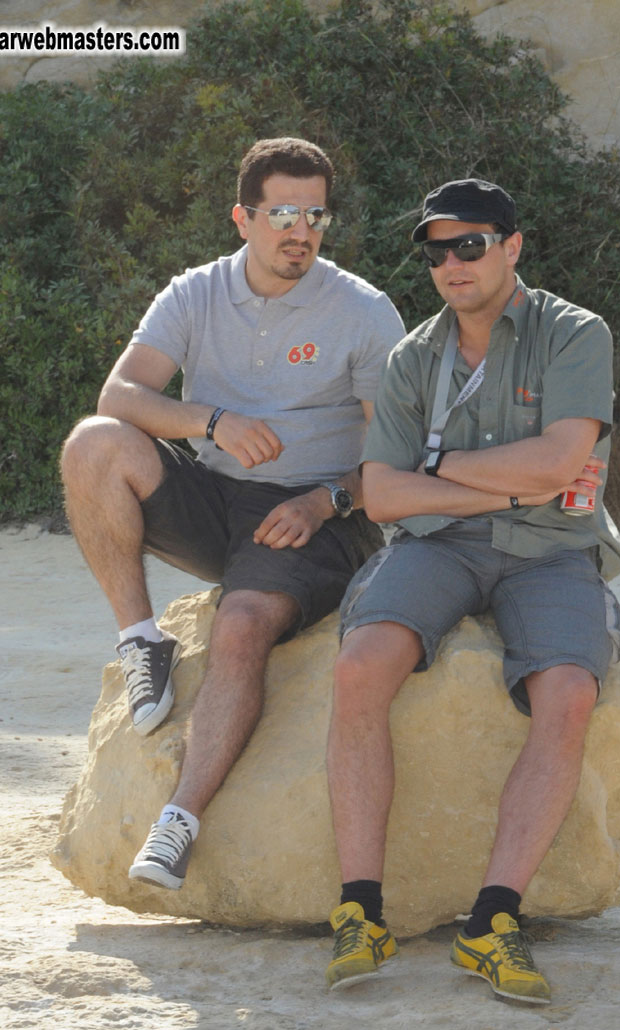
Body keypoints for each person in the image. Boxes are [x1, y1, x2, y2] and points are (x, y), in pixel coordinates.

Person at [60, 137, 405, 893]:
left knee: (242, 621)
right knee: (93, 445)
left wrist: (324, 500)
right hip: (216, 495)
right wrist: (211, 420)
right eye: (282, 212)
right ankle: (140, 639)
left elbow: (396, 458)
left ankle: (178, 821)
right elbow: (121, 396)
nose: (301, 231)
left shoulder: (364, 310)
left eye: (315, 214)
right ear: (242, 217)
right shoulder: (196, 291)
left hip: (319, 512)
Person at [324, 177, 620, 1003]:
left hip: (553, 548)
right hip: (438, 546)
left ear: (512, 246)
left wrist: (440, 467)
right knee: (361, 666)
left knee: (568, 691)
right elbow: (382, 496)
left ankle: (492, 922)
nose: (454, 264)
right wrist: (498, 487)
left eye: (471, 245)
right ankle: (360, 910)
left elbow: (557, 465)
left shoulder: (574, 333)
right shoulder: (413, 356)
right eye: (437, 250)